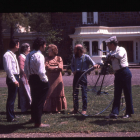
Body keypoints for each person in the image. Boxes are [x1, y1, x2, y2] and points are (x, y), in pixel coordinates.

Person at [105, 36, 134, 119]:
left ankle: (128, 112)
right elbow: (107, 57)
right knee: (117, 93)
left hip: (125, 72)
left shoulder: (121, 49)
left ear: (112, 44)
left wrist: (112, 55)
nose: (107, 46)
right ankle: (114, 113)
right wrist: (109, 56)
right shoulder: (111, 51)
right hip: (117, 73)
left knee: (127, 93)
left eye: (108, 44)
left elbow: (120, 55)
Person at [24, 37, 50, 127]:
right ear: (41, 45)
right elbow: (41, 72)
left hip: (32, 78)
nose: (45, 46)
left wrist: (28, 78)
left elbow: (25, 69)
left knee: (34, 99)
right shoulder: (40, 56)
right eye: (45, 44)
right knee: (40, 101)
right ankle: (38, 122)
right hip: (39, 80)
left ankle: (33, 117)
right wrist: (45, 80)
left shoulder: (29, 55)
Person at [71, 44, 99, 115]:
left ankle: (84, 109)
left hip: (83, 75)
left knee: (84, 92)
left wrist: (95, 65)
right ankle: (76, 109)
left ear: (79, 50)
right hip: (76, 75)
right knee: (75, 92)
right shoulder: (74, 57)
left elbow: (93, 64)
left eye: (75, 49)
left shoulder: (86, 57)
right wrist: (73, 70)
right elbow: (72, 65)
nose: (74, 51)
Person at [43, 44, 67, 113]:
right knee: (50, 93)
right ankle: (49, 109)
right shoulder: (46, 59)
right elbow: (46, 67)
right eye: (48, 51)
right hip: (50, 79)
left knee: (58, 93)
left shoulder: (59, 58)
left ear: (53, 51)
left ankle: (58, 108)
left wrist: (52, 68)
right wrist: (55, 68)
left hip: (58, 79)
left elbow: (60, 68)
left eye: (50, 51)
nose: (48, 52)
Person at [3, 38, 20, 122]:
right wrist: (14, 80)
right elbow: (8, 69)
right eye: (18, 44)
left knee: (13, 97)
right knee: (11, 98)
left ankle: (12, 114)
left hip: (16, 77)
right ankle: (10, 117)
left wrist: (18, 78)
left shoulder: (13, 54)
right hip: (12, 78)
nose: (19, 46)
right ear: (15, 45)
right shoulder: (7, 55)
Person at [18, 43, 31, 112]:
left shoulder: (26, 56)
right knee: (23, 93)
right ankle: (23, 109)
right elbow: (21, 68)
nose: (30, 49)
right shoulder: (21, 56)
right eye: (29, 48)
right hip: (23, 77)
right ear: (25, 49)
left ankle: (28, 107)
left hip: (27, 77)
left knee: (28, 92)